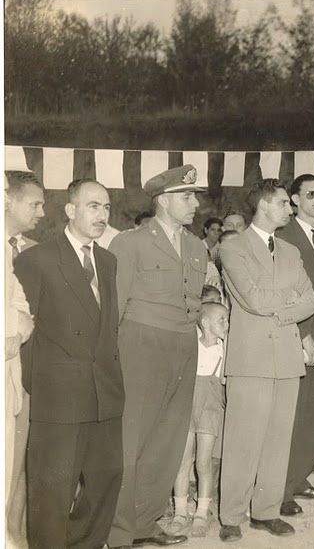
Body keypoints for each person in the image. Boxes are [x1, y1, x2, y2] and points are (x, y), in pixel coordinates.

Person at [15, 179, 125, 549]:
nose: (102, 214)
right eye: (93, 206)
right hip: (59, 397)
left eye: (107, 207)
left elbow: (106, 328)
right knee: (52, 492)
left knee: (106, 479)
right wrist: (43, 386)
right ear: (70, 210)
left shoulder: (107, 261)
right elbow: (26, 334)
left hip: (104, 392)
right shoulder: (37, 260)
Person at [108, 164, 208, 548]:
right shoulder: (131, 243)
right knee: (130, 441)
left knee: (168, 440)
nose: (194, 203)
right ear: (163, 202)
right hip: (141, 345)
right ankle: (118, 533)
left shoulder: (197, 246)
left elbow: (195, 301)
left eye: (194, 195)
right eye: (187, 196)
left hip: (184, 346)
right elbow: (115, 306)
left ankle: (145, 524)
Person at [218, 179, 314, 542]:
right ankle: (231, 516)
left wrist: (282, 309)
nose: (290, 209)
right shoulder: (233, 247)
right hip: (251, 359)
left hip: (287, 358)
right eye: (283, 203)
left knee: (277, 441)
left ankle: (266, 511)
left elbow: (312, 301)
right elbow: (253, 300)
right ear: (262, 206)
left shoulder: (291, 251)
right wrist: (288, 302)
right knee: (243, 440)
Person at [276, 175, 314, 517]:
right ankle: (280, 488)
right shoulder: (283, 237)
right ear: (295, 200)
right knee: (291, 416)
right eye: (310, 194)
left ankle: (298, 476)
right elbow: (283, 294)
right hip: (296, 340)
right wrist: (306, 337)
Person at [4, 169, 44, 542]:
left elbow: (27, 310)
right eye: (35, 203)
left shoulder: (33, 252)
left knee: (18, 462)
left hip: (23, 375)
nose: (42, 212)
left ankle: (16, 538)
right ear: (9, 200)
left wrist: (18, 324)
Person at [170, 302, 228, 538]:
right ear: (205, 323)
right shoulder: (191, 344)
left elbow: (224, 382)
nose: (227, 324)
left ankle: (202, 512)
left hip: (210, 409)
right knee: (182, 462)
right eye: (222, 319)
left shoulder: (225, 349)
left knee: (203, 463)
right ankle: (180, 513)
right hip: (186, 407)